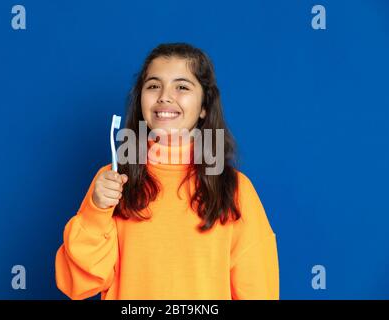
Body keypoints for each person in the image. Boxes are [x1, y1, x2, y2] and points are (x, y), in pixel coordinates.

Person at [55, 43, 279, 300]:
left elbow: (258, 291)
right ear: (140, 101)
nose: (165, 96)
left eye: (182, 86)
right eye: (153, 86)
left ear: (204, 106)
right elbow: (77, 284)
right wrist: (97, 210)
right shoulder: (113, 181)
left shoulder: (236, 189)